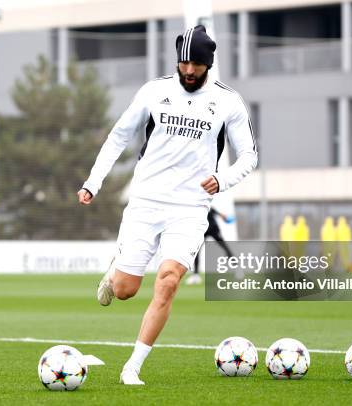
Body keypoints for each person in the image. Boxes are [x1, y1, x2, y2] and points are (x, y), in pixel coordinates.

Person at [77, 25, 257, 385]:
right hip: (145, 201)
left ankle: (133, 366)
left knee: (169, 280)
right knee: (126, 290)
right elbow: (118, 137)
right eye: (184, 63)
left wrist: (223, 180)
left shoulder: (227, 102)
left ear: (209, 64)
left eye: (197, 65)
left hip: (190, 208)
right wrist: (93, 182)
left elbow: (249, 155)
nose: (189, 71)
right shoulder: (154, 91)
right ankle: (115, 272)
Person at [186, 207, 234, 285]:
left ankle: (236, 267)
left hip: (214, 230)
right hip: (203, 231)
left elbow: (219, 214)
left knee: (224, 247)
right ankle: (196, 275)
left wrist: (224, 217)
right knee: (196, 251)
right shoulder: (194, 208)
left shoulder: (208, 206)